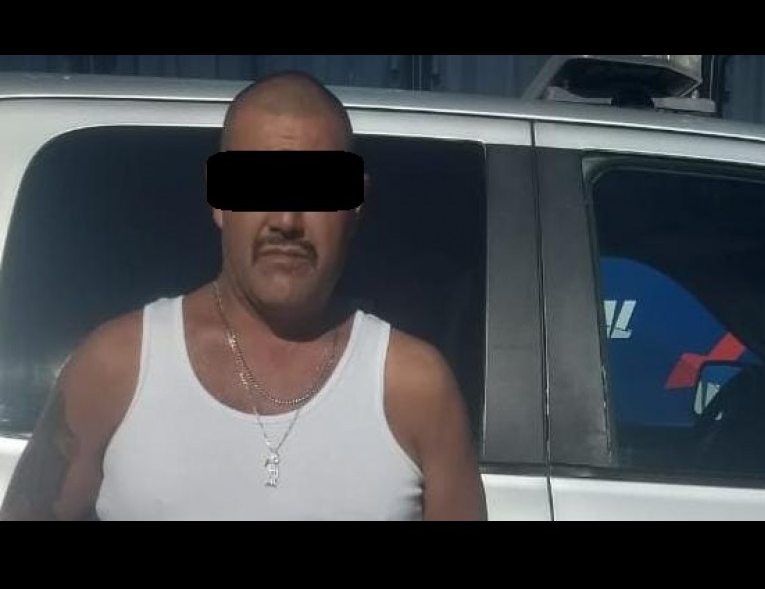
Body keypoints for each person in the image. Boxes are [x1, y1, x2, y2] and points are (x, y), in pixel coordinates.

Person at [0, 70, 487, 521]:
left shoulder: (416, 389)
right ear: (218, 197)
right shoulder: (116, 366)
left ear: (353, 204)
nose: (286, 221)